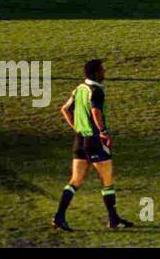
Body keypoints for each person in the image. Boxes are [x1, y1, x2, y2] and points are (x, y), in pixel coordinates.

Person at [52, 59, 133, 231]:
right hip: (95, 140)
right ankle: (113, 220)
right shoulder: (96, 91)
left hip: (80, 140)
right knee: (107, 180)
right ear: (96, 73)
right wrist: (103, 132)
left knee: (75, 181)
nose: (104, 72)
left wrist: (76, 127)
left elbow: (64, 109)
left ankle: (59, 216)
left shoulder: (79, 89)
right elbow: (96, 112)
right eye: (102, 70)